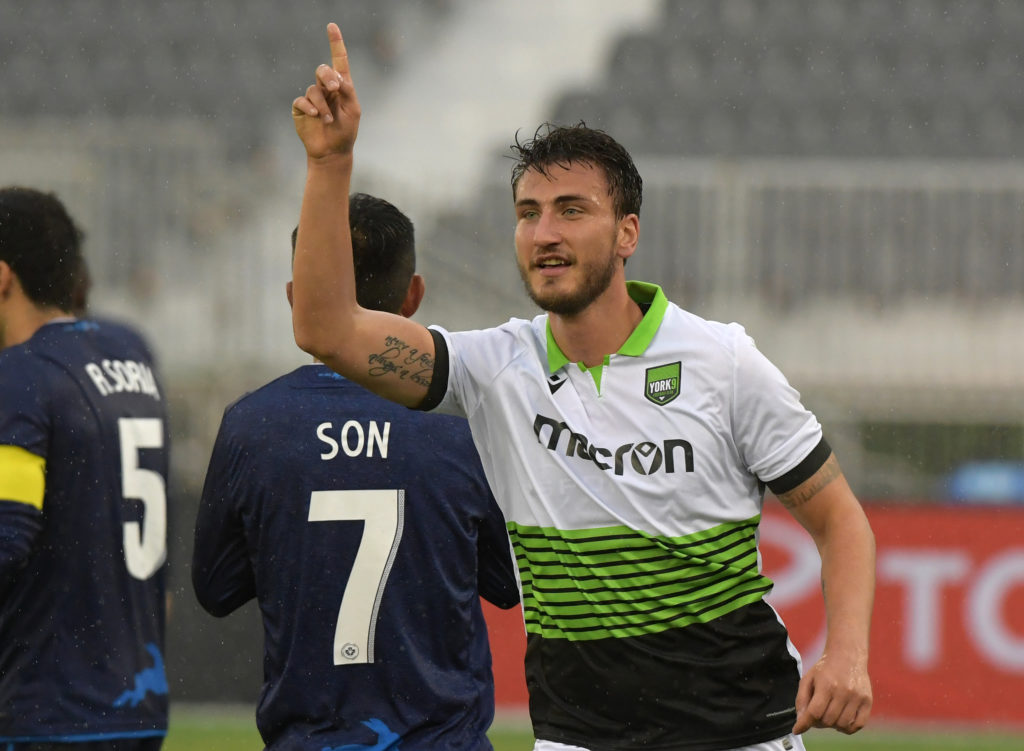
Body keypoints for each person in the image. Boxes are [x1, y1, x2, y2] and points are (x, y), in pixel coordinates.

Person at [288, 24, 876, 751]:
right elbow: (325, 327)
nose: (543, 232)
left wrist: (847, 652)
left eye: (572, 209)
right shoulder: (494, 366)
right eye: (528, 214)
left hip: (740, 734)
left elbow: (841, 522)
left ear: (627, 233)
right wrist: (331, 162)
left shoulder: (722, 360)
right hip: (577, 739)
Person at [191, 193, 520, 750]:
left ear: (298, 298)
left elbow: (216, 589)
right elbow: (508, 584)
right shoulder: (465, 423)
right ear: (414, 294)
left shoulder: (253, 425)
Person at [0, 187, 170, 749]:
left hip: (45, 711)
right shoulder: (131, 352)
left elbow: (6, 536)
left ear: (3, 278)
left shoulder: (20, 376)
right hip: (136, 706)